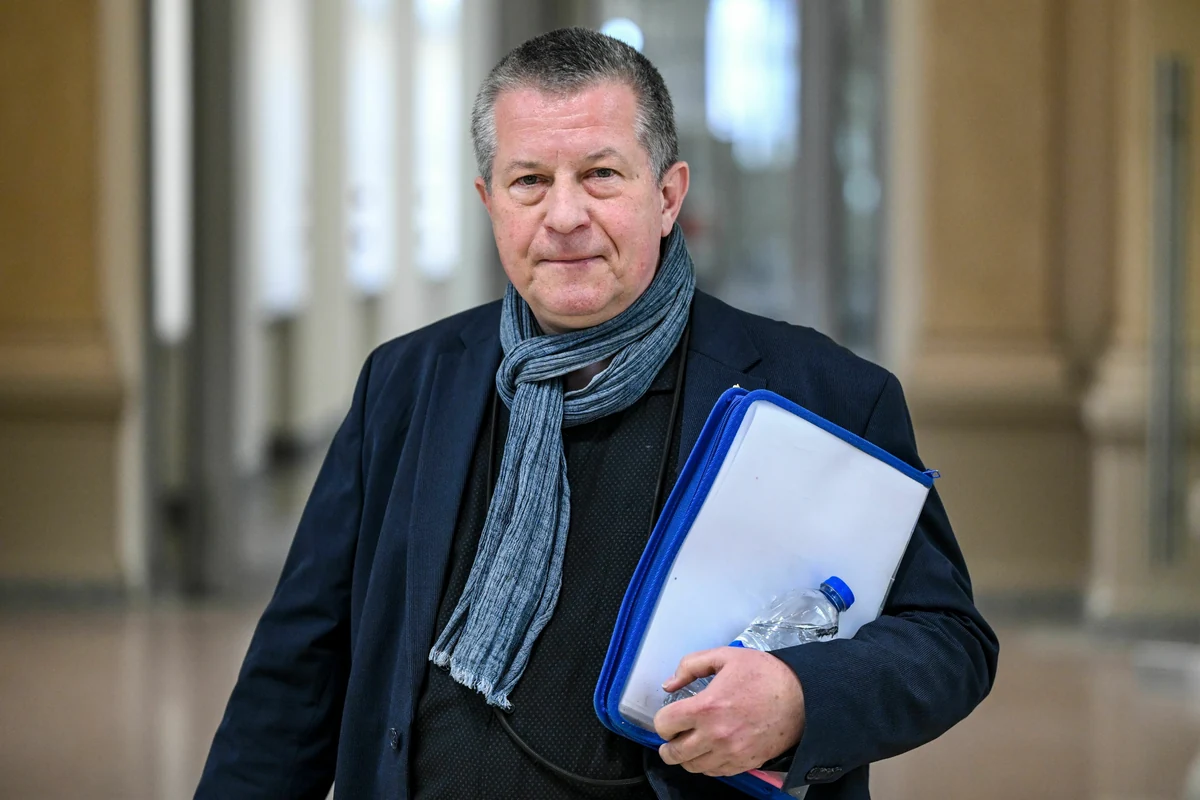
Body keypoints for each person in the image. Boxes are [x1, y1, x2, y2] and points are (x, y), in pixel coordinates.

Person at [196, 27, 998, 800]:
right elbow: (298, 670)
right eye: (529, 181)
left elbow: (948, 638)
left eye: (601, 175)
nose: (565, 216)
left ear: (668, 196)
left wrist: (798, 696)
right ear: (489, 201)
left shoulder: (823, 392)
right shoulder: (406, 384)